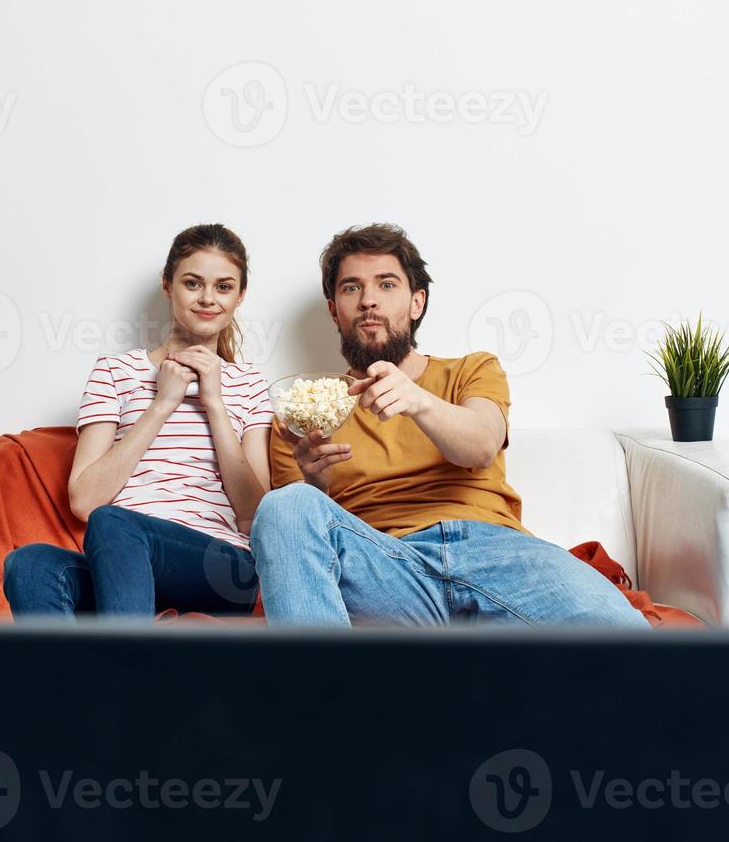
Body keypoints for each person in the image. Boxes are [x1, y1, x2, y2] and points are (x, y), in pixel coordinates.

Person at [253, 223, 649, 629]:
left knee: (625, 637)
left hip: (495, 552)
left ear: (416, 302)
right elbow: (296, 545)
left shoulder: (472, 369)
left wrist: (419, 400)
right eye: (351, 288)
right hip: (387, 569)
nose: (369, 300)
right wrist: (315, 484)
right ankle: (322, 689)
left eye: (387, 285)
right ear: (334, 309)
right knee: (285, 504)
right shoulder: (301, 410)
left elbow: (480, 446)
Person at [4, 224, 272, 618]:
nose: (208, 299)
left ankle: (127, 673)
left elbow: (254, 517)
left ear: (240, 296)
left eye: (224, 287)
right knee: (28, 564)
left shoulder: (249, 384)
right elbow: (85, 500)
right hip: (120, 560)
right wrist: (162, 404)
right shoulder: (115, 372)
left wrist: (214, 401)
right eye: (193, 283)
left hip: (222, 571)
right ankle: (68, 679)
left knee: (115, 524)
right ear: (168, 286)